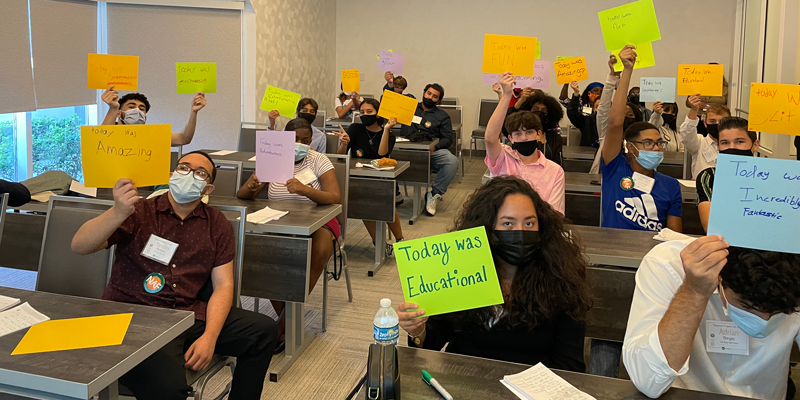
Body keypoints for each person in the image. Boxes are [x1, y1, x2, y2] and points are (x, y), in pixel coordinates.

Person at [71, 151, 277, 400]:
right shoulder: (138, 211)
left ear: (207, 187)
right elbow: (79, 246)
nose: (189, 175)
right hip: (135, 319)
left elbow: (223, 285)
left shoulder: (216, 223)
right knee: (168, 390)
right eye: (183, 168)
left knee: (263, 332)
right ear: (171, 175)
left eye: (200, 173)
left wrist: (209, 338)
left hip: (185, 314)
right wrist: (117, 211)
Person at [397, 176, 592, 370]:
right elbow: (432, 340)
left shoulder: (562, 278)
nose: (521, 232)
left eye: (529, 224)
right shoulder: (461, 271)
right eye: (508, 224)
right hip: (462, 383)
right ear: (487, 229)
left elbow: (570, 366)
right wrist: (418, 330)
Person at [622, 235, 800, 399]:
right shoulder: (668, 264)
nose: (764, 320)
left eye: (780, 313)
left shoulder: (794, 274)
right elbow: (648, 380)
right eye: (746, 306)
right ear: (721, 278)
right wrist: (694, 290)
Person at [236, 118, 341, 353]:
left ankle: (282, 324)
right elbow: (243, 196)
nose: (301, 144)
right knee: (264, 259)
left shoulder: (318, 160)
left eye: (305, 140)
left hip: (319, 222)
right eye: (295, 140)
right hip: (279, 223)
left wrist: (305, 190)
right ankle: (289, 318)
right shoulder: (273, 157)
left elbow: (335, 197)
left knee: (321, 247)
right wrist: (253, 183)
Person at [601, 45, 682, 233]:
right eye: (647, 143)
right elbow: (614, 123)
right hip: (613, 255)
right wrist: (628, 70)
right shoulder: (615, 168)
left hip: (653, 258)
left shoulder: (670, 185)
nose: (655, 148)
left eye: (659, 143)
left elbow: (674, 236)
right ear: (629, 146)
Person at [484, 73, 565, 215]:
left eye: (528, 132)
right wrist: (506, 95)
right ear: (511, 138)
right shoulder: (503, 158)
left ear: (538, 134)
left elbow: (556, 214)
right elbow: (490, 138)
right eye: (518, 134)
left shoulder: (555, 171)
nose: (524, 138)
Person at [336, 98, 405, 253]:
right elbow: (339, 157)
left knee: (384, 201)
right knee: (364, 205)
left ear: (378, 114)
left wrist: (386, 129)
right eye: (362, 112)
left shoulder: (389, 135)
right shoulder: (354, 129)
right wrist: (344, 144)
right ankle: (379, 244)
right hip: (357, 177)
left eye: (369, 112)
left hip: (380, 178)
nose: (365, 115)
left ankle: (400, 240)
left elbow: (382, 154)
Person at [398, 83, 458, 216]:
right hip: (405, 151)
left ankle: (434, 194)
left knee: (451, 161)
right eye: (429, 93)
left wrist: (434, 147)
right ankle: (394, 194)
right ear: (424, 92)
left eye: (435, 96)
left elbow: (448, 139)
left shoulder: (443, 116)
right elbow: (390, 102)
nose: (430, 97)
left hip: (431, 153)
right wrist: (391, 85)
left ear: (439, 100)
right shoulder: (410, 107)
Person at [696, 117, 760, 232]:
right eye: (725, 143)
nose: (732, 147)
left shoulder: (771, 177)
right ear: (718, 147)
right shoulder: (709, 177)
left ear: (755, 145)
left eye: (739, 142)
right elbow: (710, 226)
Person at [100, 86, 207, 146]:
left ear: (145, 117)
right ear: (119, 113)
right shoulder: (110, 130)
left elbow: (183, 139)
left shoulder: (150, 135)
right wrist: (113, 108)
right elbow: (101, 141)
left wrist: (194, 112)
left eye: (141, 109)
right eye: (131, 107)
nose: (137, 110)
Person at [507, 88, 565, 166]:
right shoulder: (519, 134)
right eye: (535, 109)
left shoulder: (554, 138)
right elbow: (506, 121)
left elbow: (558, 164)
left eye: (544, 111)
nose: (539, 112)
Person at [682, 95, 731, 179]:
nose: (717, 124)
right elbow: (686, 133)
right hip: (699, 190)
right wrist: (694, 110)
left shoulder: (736, 146)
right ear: (705, 123)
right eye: (712, 121)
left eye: (722, 121)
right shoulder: (699, 142)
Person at [590, 55, 622, 175]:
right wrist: (613, 76)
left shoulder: (634, 137)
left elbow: (622, 101)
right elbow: (603, 107)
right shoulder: (606, 132)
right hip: (601, 182)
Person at [565, 81, 602, 147]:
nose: (600, 109)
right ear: (594, 108)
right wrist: (576, 93)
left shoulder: (612, 121)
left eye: (602, 107)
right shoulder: (587, 120)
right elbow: (572, 113)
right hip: (587, 152)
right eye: (597, 106)